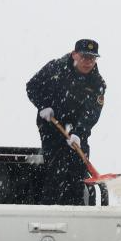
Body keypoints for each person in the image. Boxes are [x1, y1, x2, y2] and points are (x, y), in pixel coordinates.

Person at [26, 39, 107, 205]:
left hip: (78, 131)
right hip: (52, 126)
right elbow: (32, 86)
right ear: (74, 54)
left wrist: (79, 133)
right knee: (56, 171)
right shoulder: (55, 68)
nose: (88, 62)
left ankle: (75, 212)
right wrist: (43, 106)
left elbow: (91, 113)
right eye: (84, 57)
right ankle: (49, 210)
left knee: (77, 174)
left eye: (92, 58)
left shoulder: (97, 83)